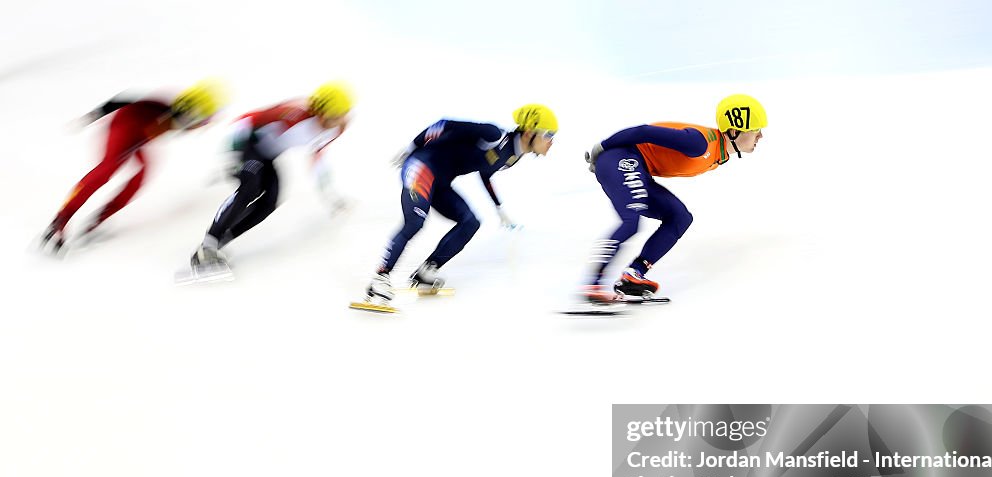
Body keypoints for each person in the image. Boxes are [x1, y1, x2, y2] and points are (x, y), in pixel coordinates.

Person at [359, 104, 557, 308]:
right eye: (548, 135)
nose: (551, 142)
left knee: (470, 222)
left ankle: (427, 270)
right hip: (421, 167)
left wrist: (499, 208)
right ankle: (380, 278)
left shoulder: (513, 157)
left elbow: (486, 172)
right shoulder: (494, 135)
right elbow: (444, 124)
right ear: (530, 133)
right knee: (415, 221)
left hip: (441, 183)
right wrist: (411, 147)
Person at [580, 94, 767, 302]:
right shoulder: (700, 143)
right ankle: (593, 283)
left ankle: (633, 275)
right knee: (631, 221)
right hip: (620, 157)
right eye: (757, 130)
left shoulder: (718, 155)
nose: (760, 137)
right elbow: (644, 132)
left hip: (639, 169)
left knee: (680, 217)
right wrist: (602, 147)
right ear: (734, 130)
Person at [186, 81, 353, 276]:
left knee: (270, 201)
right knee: (250, 188)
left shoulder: (338, 127)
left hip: (268, 156)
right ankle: (208, 244)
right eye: (332, 116)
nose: (335, 122)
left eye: (340, 116)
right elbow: (246, 121)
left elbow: (318, 158)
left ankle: (216, 245)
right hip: (247, 144)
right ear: (319, 110)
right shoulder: (293, 114)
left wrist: (329, 194)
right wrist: (232, 155)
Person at [41, 81, 226, 251]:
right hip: (124, 126)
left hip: (138, 137)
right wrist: (94, 115)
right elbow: (124, 100)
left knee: (141, 174)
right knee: (108, 168)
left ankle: (100, 217)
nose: (201, 127)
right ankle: (61, 219)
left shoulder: (182, 119)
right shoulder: (165, 109)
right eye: (203, 121)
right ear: (192, 113)